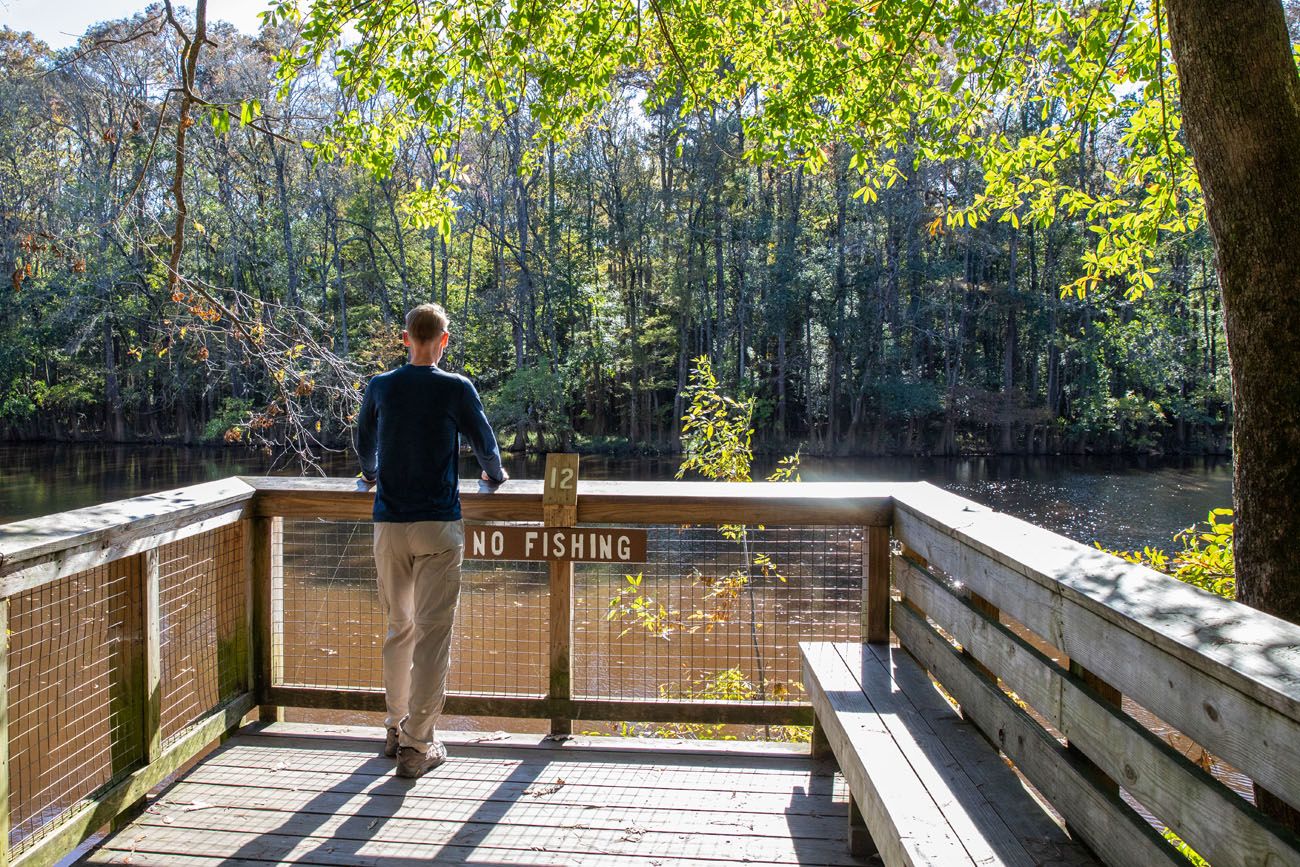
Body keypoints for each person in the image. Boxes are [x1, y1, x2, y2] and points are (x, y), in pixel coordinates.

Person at [355, 303, 508, 779]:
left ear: (406, 339)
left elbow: (364, 442)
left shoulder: (381, 386)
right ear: (444, 340)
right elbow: (485, 444)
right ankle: (418, 746)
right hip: (439, 525)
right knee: (433, 635)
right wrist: (495, 475)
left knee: (399, 629)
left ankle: (395, 729)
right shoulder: (456, 388)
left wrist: (370, 475)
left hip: (389, 524)